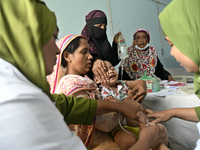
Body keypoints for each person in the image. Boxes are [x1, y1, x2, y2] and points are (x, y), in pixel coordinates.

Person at [0, 0, 167, 150]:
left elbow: (68, 105)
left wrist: (124, 101)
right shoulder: (20, 103)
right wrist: (145, 141)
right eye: (52, 37)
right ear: (29, 40)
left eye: (104, 27)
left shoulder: (25, 88)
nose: (58, 49)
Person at [143, 0, 200, 150]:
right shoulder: (129, 56)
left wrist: (158, 146)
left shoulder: (152, 54)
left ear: (192, 37)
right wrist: (171, 112)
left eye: (172, 44)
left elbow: (160, 70)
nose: (171, 52)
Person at [94, 61, 168, 150]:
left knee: (155, 131)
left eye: (112, 68)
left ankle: (149, 134)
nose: (111, 71)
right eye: (105, 71)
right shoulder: (103, 90)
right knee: (128, 141)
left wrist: (139, 86)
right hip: (120, 126)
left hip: (135, 122)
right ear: (97, 80)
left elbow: (139, 83)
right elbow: (119, 105)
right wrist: (130, 95)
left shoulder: (122, 83)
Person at [81, 9, 121, 81]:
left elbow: (112, 61)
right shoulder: (82, 45)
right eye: (99, 26)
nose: (102, 29)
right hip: (91, 84)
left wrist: (115, 44)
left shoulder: (104, 43)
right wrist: (94, 61)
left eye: (104, 26)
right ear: (90, 26)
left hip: (109, 84)